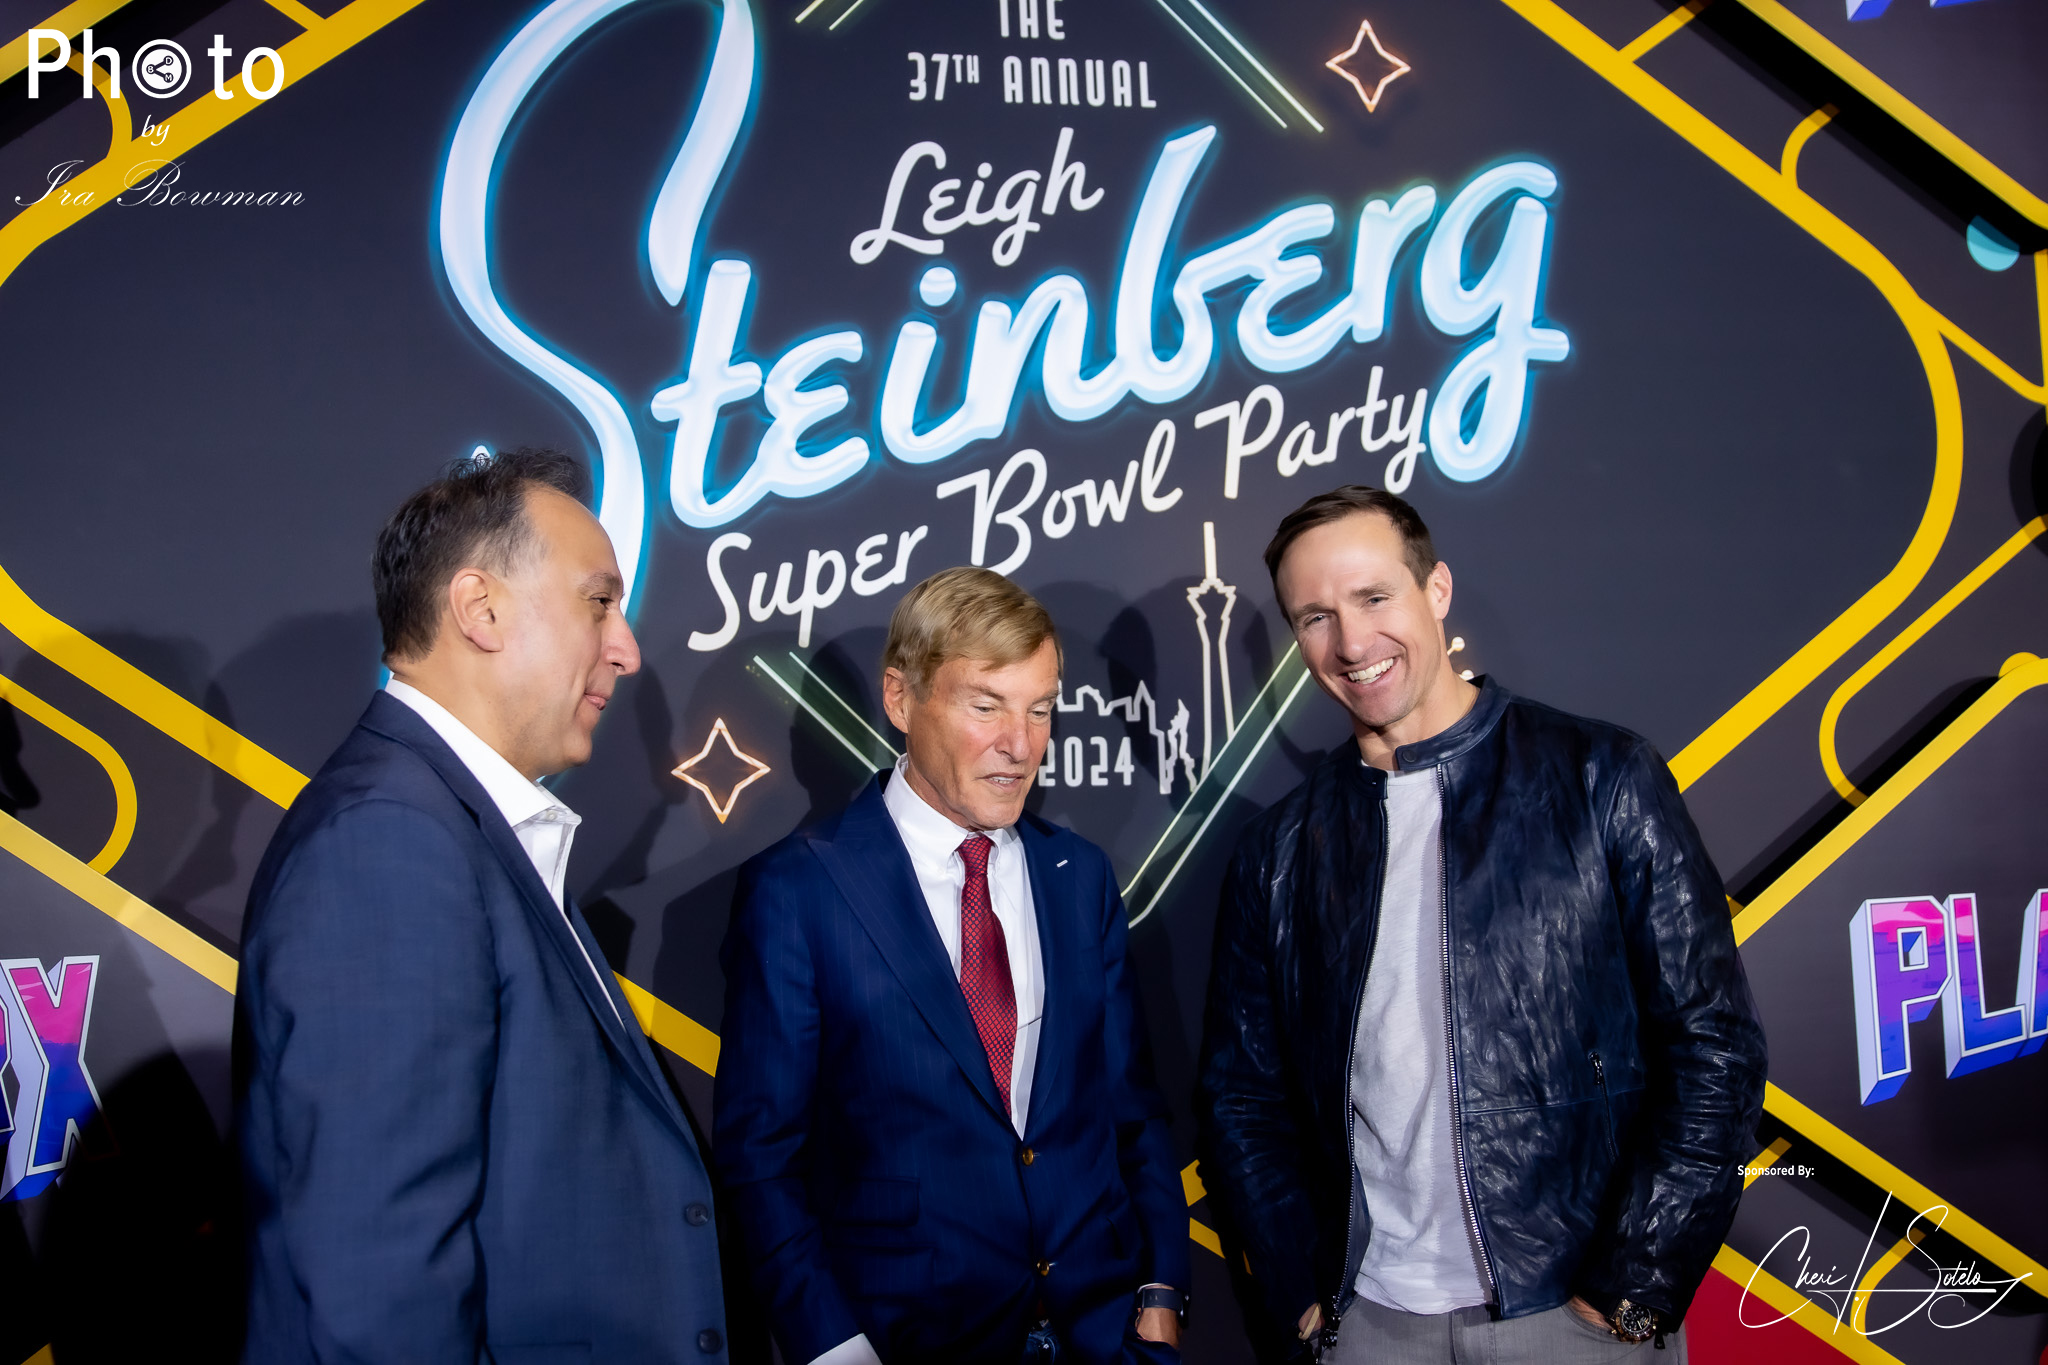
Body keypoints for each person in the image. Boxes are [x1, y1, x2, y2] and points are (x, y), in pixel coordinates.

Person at [1196, 486, 1766, 1364]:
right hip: (1369, 1323)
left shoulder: (1600, 775)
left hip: (1571, 1313)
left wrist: (1629, 1293)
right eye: (1316, 616)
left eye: (1374, 597)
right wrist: (1301, 1303)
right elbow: (1242, 1096)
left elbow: (1714, 1045)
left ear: (1437, 589)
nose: (1352, 642)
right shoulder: (1278, 850)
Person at [233, 449, 728, 1362]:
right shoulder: (387, 842)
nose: (626, 648)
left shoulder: (439, 823)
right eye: (599, 602)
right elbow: (381, 1281)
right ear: (480, 609)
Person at [715, 567, 1189, 1365]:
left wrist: (1162, 1294)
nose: (1021, 745)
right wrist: (834, 1348)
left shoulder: (1079, 875)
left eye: (1041, 709)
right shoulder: (798, 889)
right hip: (908, 1342)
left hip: (1105, 1337)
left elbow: (1131, 1110)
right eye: (986, 705)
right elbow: (761, 1158)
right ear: (901, 699)